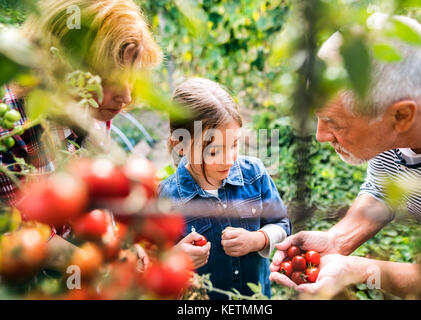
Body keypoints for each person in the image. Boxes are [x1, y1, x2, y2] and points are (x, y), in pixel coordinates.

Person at [270, 14, 421, 299]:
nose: (321, 136)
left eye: (334, 123)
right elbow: (381, 190)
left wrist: (357, 270)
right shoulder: (399, 95)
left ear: (401, 116)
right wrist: (336, 240)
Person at [1, 0, 162, 269]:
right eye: (110, 78)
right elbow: (20, 238)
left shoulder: (92, 109)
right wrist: (103, 269)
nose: (126, 96)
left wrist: (122, 245)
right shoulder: (11, 127)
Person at [158, 78, 292, 299]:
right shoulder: (166, 198)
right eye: (213, 152)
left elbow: (283, 225)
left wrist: (258, 239)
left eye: (234, 144)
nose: (229, 160)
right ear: (180, 146)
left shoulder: (254, 175)